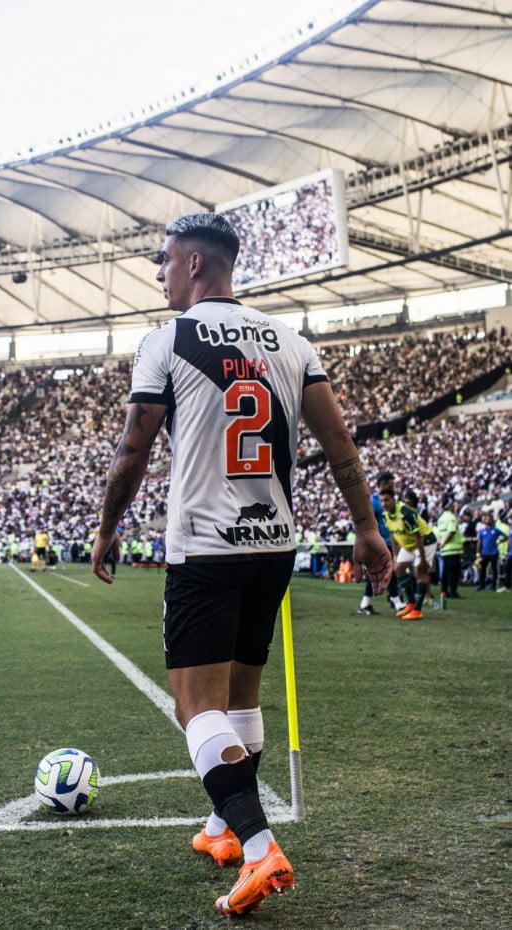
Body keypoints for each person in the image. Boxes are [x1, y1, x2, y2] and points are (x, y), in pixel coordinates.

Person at [91, 212, 392, 917]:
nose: (160, 275)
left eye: (164, 262)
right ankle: (223, 829)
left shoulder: (167, 339)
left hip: (205, 544)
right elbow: (340, 446)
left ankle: (259, 848)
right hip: (273, 546)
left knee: (195, 706)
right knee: (241, 701)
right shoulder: (290, 341)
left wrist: (107, 527)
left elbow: (133, 451)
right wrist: (365, 527)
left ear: (195, 264)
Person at [379, 487, 438, 620]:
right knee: (398, 569)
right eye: (382, 501)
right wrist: (394, 555)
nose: (384, 504)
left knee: (419, 571)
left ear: (394, 499)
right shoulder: (385, 515)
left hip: (425, 541)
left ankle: (417, 610)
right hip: (409, 544)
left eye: (387, 500)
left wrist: (422, 559)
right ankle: (410, 603)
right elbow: (392, 534)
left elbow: (418, 536)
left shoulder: (405, 513)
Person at [357, 469, 405, 615]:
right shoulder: (375, 502)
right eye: (391, 485)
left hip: (389, 542)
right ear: (383, 484)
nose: (393, 488)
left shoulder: (390, 500)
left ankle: (367, 604)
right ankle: (396, 602)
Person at [435, 497, 464, 599]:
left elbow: (438, 533)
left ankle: (444, 591)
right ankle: (453, 592)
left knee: (445, 572)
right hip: (453, 548)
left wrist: (440, 544)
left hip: (444, 550)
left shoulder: (441, 518)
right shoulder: (451, 517)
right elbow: (451, 532)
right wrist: (444, 543)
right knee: (454, 572)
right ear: (450, 506)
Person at [476, 511, 504, 591]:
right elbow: (479, 542)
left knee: (494, 569)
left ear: (492, 520)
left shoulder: (495, 530)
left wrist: (499, 541)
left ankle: (493, 585)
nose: (487, 520)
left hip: (493, 552)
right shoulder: (482, 531)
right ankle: (482, 585)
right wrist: (478, 552)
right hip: (485, 552)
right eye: (486, 519)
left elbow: (505, 536)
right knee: (482, 569)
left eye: (489, 519)